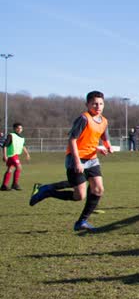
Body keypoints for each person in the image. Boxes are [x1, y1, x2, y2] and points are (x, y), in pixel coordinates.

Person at [29, 91, 113, 232]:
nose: (98, 106)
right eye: (94, 104)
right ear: (87, 104)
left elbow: (104, 136)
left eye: (101, 104)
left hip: (92, 159)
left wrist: (107, 147)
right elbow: (72, 140)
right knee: (79, 196)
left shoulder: (104, 121)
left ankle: (81, 222)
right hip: (76, 158)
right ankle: (47, 191)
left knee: (98, 189)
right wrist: (77, 162)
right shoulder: (83, 119)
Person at [1, 122, 31, 191]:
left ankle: (4, 185)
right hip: (11, 155)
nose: (20, 129)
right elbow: (5, 146)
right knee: (19, 167)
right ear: (14, 129)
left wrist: (27, 153)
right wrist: (4, 155)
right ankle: (15, 184)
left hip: (15, 155)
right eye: (18, 128)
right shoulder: (11, 135)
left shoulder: (22, 138)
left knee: (10, 169)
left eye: (21, 128)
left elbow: (23, 146)